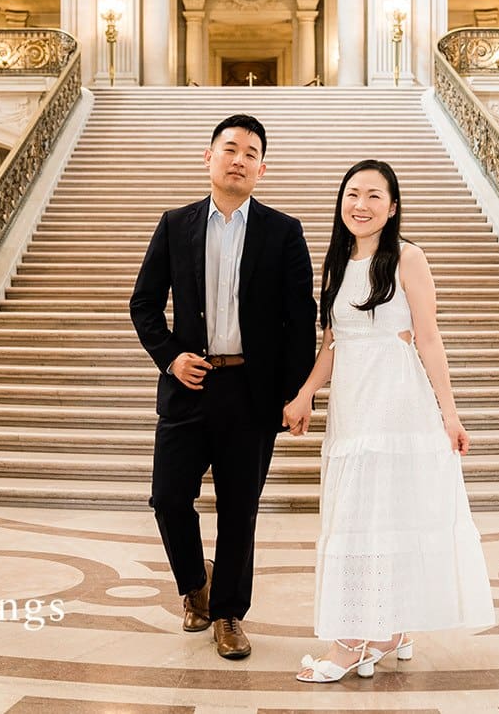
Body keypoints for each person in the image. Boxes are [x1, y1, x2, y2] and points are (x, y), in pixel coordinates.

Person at [283, 159, 495, 683]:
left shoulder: (407, 257)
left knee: (379, 515)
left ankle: (352, 642)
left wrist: (450, 414)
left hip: (398, 403)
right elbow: (333, 343)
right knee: (360, 516)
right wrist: (305, 394)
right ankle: (389, 631)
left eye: (374, 195)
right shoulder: (337, 261)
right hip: (353, 407)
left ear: (393, 206)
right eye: (352, 194)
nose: (361, 204)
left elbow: (429, 338)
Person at [130, 114, 317, 660]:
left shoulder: (283, 232)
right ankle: (196, 585)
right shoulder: (175, 224)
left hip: (251, 393)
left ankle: (229, 613)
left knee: (240, 509)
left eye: (250, 153)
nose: (239, 159)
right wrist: (170, 358)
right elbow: (144, 304)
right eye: (230, 149)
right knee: (168, 498)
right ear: (208, 157)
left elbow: (300, 319)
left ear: (262, 168)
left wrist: (296, 393)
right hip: (189, 387)